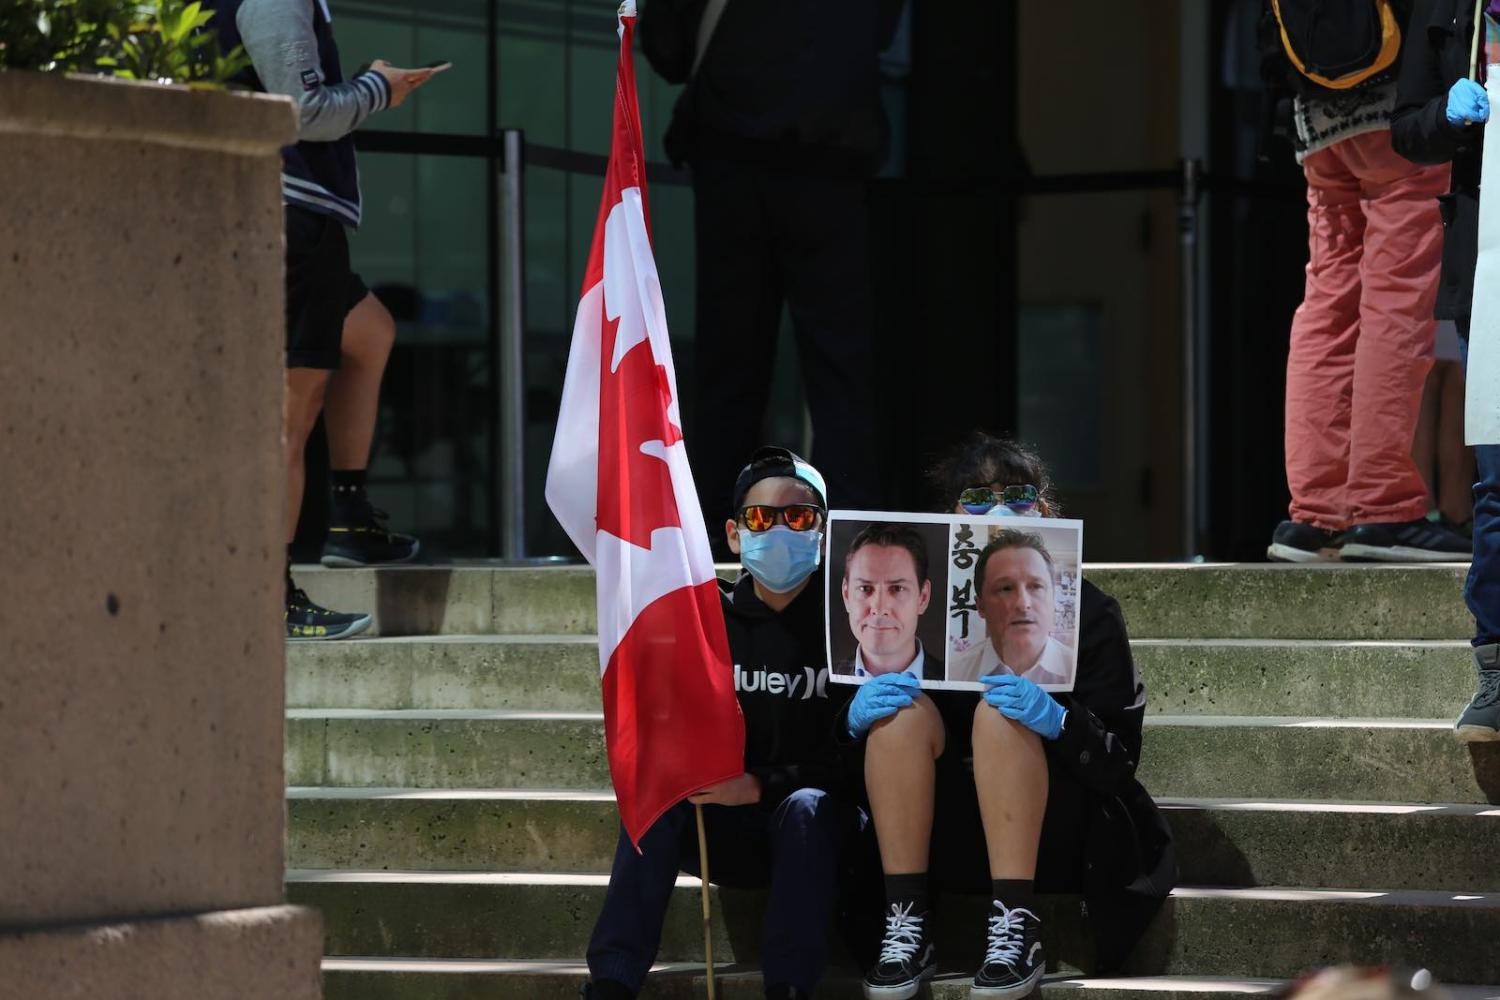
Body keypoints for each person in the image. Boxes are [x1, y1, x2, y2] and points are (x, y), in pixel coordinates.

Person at [842, 432, 1175, 1000]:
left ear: (1043, 512)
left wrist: (1062, 721)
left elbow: (1121, 763)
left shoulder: (1091, 614)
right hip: (949, 829)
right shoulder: (913, 612)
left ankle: (1016, 926)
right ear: (950, 519)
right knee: (899, 713)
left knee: (1000, 714)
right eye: (975, 497)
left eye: (1017, 495)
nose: (996, 508)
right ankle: (906, 923)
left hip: (1058, 827)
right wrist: (854, 720)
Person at [584, 447, 868, 1000]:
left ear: (825, 533)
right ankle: (613, 981)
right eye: (762, 517)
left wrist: (761, 785)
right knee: (658, 791)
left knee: (807, 808)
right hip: (718, 827)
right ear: (735, 535)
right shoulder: (700, 619)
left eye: (801, 517)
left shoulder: (857, 623)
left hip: (814, 829)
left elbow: (856, 765)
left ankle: (787, 987)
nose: (781, 529)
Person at [636, 1, 906, 554]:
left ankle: (718, 531)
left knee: (729, 365)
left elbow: (668, 48)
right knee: (842, 370)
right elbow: (881, 29)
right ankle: (856, 537)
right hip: (832, 150)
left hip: (735, 152)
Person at [208, 0, 432, 640]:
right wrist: (376, 89)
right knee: (289, 415)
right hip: (289, 214)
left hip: (291, 212)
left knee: (370, 331)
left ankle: (351, 518)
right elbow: (303, 114)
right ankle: (268, 595)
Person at [1259, 0, 1471, 562]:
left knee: (1327, 306)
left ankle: (1316, 512)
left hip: (1317, 116)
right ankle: (1384, 509)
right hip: (1400, 116)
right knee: (1396, 303)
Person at [1390, 0, 1500, 739]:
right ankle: (1495, 669)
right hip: (1487, 253)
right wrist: (1450, 117)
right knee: (1496, 475)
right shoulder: (1445, 7)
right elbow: (1408, 127)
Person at [947, 530, 1074, 688]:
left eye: (1035, 586)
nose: (1023, 604)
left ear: (1053, 600)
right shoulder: (953, 673)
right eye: (1006, 588)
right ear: (981, 606)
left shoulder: (1079, 669)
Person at [834, 523, 945, 682]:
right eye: (865, 588)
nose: (879, 608)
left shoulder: (960, 685)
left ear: (923, 597)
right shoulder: (824, 684)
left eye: (897, 588)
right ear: (846, 595)